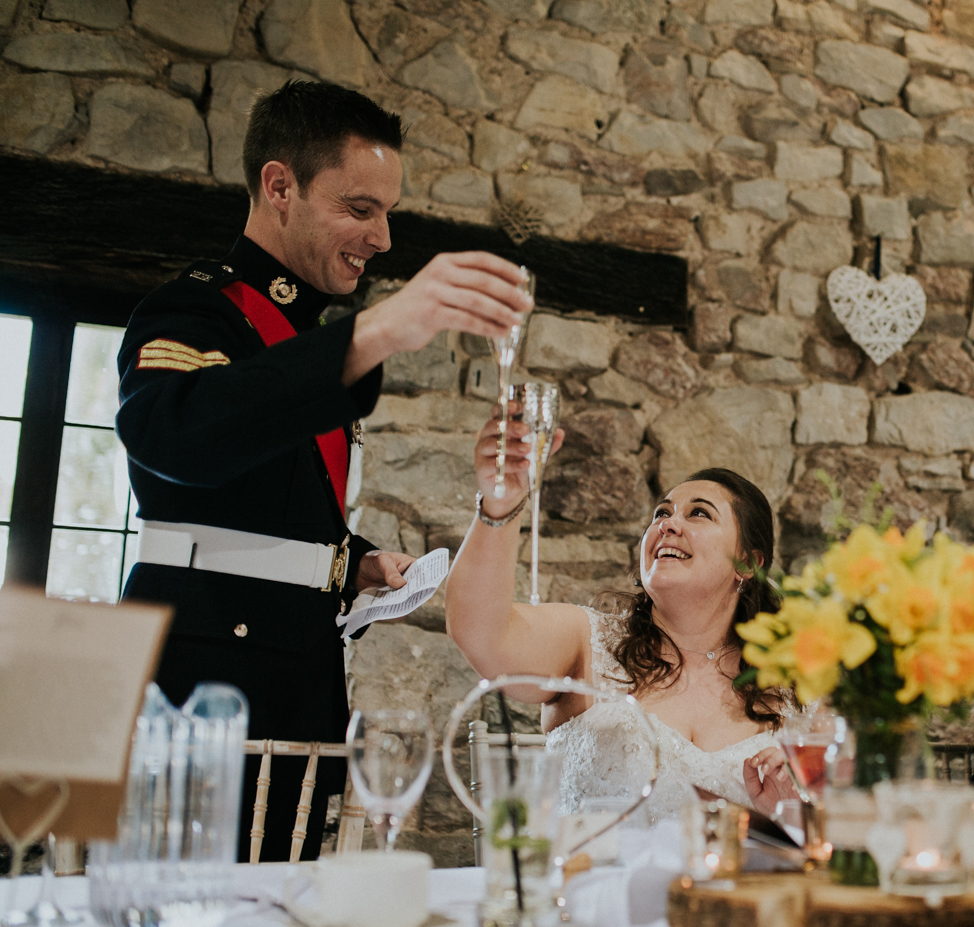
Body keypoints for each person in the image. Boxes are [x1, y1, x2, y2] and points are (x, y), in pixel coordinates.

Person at [116, 81, 534, 861]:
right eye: (360, 208)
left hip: (298, 672)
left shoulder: (305, 332)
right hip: (204, 679)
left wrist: (354, 564)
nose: (381, 238)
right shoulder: (194, 311)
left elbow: (260, 502)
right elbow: (177, 440)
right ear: (280, 187)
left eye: (387, 213)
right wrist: (376, 330)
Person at [445, 407, 796, 823]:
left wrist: (786, 815)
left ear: (747, 563)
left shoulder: (793, 687)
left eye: (698, 513)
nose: (668, 525)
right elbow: (481, 632)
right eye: (662, 514)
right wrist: (499, 504)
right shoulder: (586, 642)